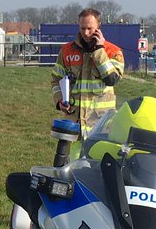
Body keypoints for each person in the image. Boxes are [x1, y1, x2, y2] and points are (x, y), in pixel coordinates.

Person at [51, 8, 125, 137]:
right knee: (69, 157)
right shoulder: (67, 50)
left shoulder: (113, 51)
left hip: (101, 124)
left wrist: (99, 50)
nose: (86, 33)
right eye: (82, 28)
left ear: (99, 27)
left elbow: (111, 79)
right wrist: (60, 100)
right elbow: (56, 79)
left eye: (90, 29)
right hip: (73, 122)